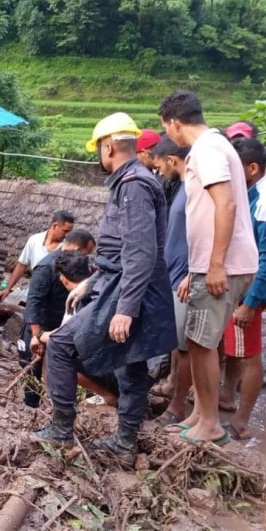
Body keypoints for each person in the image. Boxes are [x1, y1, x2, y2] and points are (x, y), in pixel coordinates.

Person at [29, 112, 176, 465]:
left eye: (99, 149)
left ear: (108, 147)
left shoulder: (134, 186)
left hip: (128, 286)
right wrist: (92, 281)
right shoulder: (133, 181)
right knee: (130, 362)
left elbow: (140, 251)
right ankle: (126, 442)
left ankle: (62, 431)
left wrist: (125, 308)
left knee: (62, 345)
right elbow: (123, 250)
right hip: (120, 282)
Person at [159, 91, 257, 446]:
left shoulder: (208, 149)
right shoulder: (215, 146)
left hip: (222, 264)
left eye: (166, 128)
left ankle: (210, 425)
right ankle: (201, 415)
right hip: (209, 263)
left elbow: (225, 205)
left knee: (201, 343)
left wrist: (215, 265)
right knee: (198, 340)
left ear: (173, 122)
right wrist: (197, 267)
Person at [216, 138, 266, 437]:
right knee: (236, 350)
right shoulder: (250, 194)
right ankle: (227, 397)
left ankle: (242, 422)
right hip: (242, 288)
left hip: (249, 292)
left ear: (252, 168)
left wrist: (250, 302)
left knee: (249, 356)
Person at [20, 229, 95, 408]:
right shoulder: (46, 268)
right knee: (33, 368)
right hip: (41, 325)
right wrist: (37, 336)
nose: (88, 258)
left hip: (60, 326)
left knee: (57, 368)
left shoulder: (82, 272)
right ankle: (31, 406)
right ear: (77, 249)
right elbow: (33, 303)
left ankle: (56, 405)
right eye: (87, 253)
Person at [149, 138, 192, 426]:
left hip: (186, 278)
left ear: (172, 160)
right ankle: (172, 387)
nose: (160, 172)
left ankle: (177, 408)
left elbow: (206, 233)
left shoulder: (195, 189)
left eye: (160, 166)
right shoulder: (184, 187)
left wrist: (192, 272)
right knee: (178, 342)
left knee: (189, 346)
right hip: (176, 274)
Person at [0, 210, 75, 302]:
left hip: (57, 297)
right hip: (36, 291)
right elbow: (22, 265)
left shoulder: (68, 247)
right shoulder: (34, 240)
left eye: (69, 232)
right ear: (55, 225)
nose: (67, 235)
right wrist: (8, 289)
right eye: (65, 231)